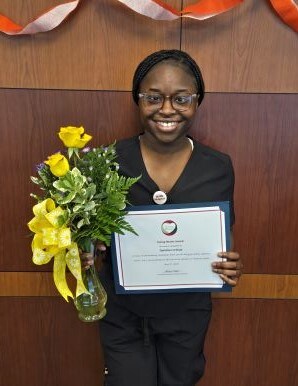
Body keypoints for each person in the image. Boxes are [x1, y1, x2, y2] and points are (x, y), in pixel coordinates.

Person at [83, 49, 242, 386]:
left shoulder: (218, 167)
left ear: (197, 101)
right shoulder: (107, 161)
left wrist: (229, 266)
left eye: (181, 98)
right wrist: (87, 249)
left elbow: (220, 238)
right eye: (153, 97)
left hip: (187, 315)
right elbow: (94, 238)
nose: (167, 109)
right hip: (124, 315)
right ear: (137, 100)